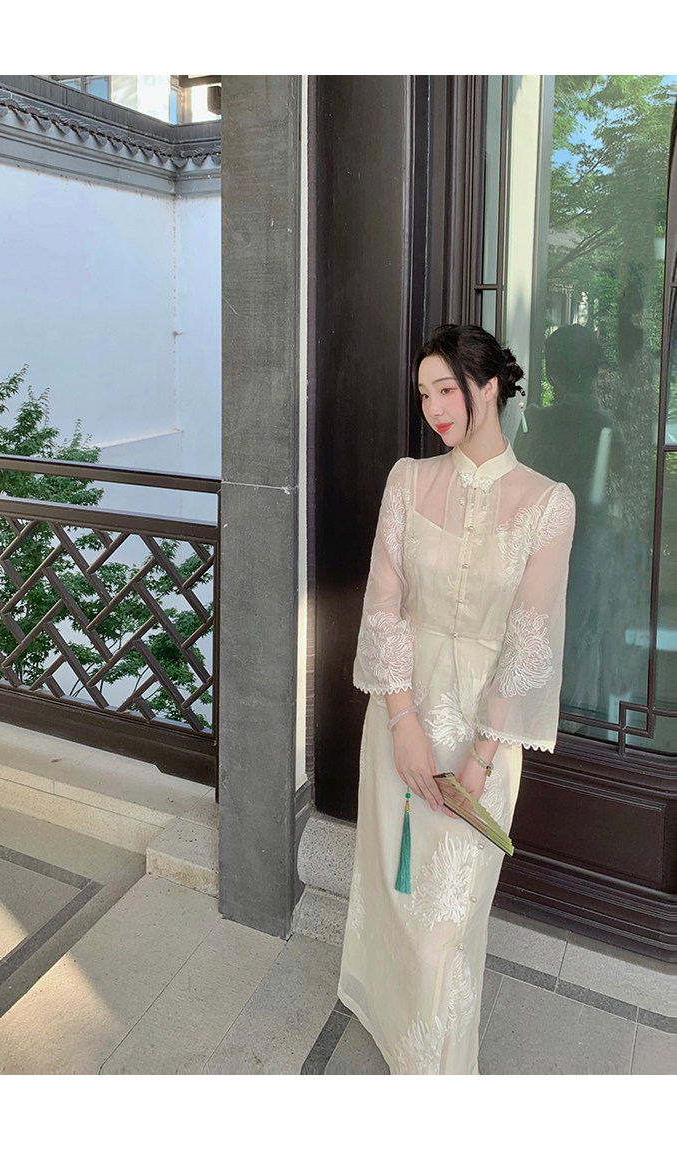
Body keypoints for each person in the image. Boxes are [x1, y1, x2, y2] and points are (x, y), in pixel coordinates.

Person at [338, 323, 575, 1075]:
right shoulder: (407, 480)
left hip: (485, 735)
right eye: (423, 394)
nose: (434, 408)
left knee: (450, 914)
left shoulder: (549, 503)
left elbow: (530, 638)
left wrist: (479, 758)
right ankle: (392, 1021)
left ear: (491, 386)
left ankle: (438, 1071)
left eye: (447, 389)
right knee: (395, 887)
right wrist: (403, 723)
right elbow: (384, 604)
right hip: (400, 711)